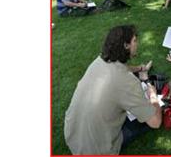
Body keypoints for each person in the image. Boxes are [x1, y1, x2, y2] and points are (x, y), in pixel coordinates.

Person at [64, 25, 162, 155]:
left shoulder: (98, 61)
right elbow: (156, 123)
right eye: (135, 40)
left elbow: (122, 67)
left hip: (72, 135)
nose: (137, 43)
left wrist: (139, 68)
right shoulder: (127, 81)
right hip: (97, 151)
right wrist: (153, 95)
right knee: (152, 113)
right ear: (126, 46)